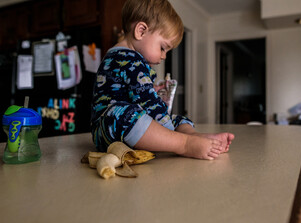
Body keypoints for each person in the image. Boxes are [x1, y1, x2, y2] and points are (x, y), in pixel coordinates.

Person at [91, 0, 234, 160]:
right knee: (126, 115)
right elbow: (147, 101)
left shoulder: (120, 56)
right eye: (163, 48)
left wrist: (153, 91)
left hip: (125, 129)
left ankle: (193, 136)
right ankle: (185, 143)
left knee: (178, 119)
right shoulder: (131, 60)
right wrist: (168, 131)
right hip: (108, 130)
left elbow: (135, 94)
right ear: (141, 31)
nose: (164, 56)